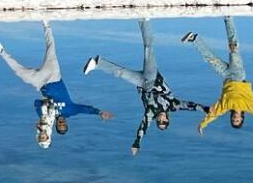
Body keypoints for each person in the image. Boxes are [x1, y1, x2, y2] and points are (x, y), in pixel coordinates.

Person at [83, 19, 208, 155]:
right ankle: (144, 20)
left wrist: (137, 142)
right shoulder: (172, 105)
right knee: (148, 49)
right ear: (168, 119)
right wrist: (206, 109)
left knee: (121, 73)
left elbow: (143, 127)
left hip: (142, 84)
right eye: (164, 121)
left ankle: (97, 62)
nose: (161, 119)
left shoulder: (150, 113)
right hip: (153, 80)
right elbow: (190, 106)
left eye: (159, 121)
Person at [0, 21, 113, 149]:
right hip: (54, 76)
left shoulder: (47, 118)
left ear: (56, 126)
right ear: (67, 123)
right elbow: (85, 109)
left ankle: (1, 51)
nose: (62, 123)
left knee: (19, 72)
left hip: (40, 83)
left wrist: (45, 109)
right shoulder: (70, 111)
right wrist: (99, 112)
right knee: (51, 49)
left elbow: (36, 103)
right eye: (64, 125)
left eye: (60, 126)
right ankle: (46, 25)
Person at [181, 16, 253, 140]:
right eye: (238, 119)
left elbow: (213, 115)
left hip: (226, 76)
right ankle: (228, 18)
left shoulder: (225, 107)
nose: (235, 118)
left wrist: (203, 124)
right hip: (238, 75)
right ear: (242, 117)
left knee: (210, 59)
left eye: (234, 120)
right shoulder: (249, 105)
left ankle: (194, 38)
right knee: (233, 48)